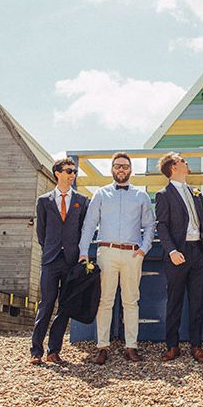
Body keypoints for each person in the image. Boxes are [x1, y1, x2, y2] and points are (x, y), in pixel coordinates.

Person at [79, 152, 155, 365]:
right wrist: (84, 251)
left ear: (131, 169)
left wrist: (144, 249)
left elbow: (149, 225)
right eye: (117, 166)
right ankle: (102, 347)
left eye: (125, 166)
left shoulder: (141, 196)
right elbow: (89, 225)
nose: (121, 169)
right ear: (112, 169)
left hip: (132, 253)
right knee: (105, 301)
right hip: (107, 251)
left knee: (131, 301)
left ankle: (131, 346)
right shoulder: (101, 194)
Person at [155, 152, 203, 363]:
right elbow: (161, 226)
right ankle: (172, 346)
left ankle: (196, 345)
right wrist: (171, 251)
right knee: (175, 301)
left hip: (197, 251)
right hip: (177, 254)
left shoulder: (196, 192)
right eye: (182, 160)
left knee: (197, 301)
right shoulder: (164, 194)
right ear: (173, 167)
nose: (186, 162)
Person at [30, 157, 89, 364]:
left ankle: (54, 350)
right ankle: (36, 351)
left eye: (74, 172)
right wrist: (49, 250)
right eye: (69, 171)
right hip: (51, 260)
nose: (72, 175)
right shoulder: (44, 201)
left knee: (64, 306)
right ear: (58, 173)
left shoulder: (81, 201)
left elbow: (83, 229)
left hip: (71, 261)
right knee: (46, 304)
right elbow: (41, 232)